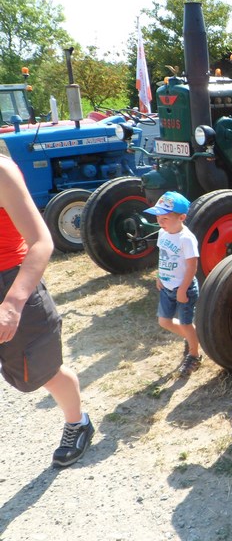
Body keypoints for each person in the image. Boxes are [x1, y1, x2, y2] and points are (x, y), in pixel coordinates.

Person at [0, 155, 94, 468]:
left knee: (43, 372)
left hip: (11, 285)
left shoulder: (2, 171)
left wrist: (13, 303)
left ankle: (78, 422)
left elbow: (41, 242)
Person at [144, 191, 202, 377]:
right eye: (158, 218)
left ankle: (194, 355)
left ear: (182, 217)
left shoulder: (186, 239)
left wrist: (183, 289)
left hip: (183, 288)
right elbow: (163, 256)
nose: (160, 222)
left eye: (165, 218)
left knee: (185, 323)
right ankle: (191, 337)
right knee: (164, 321)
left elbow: (192, 266)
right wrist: (160, 276)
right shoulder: (163, 233)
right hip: (167, 287)